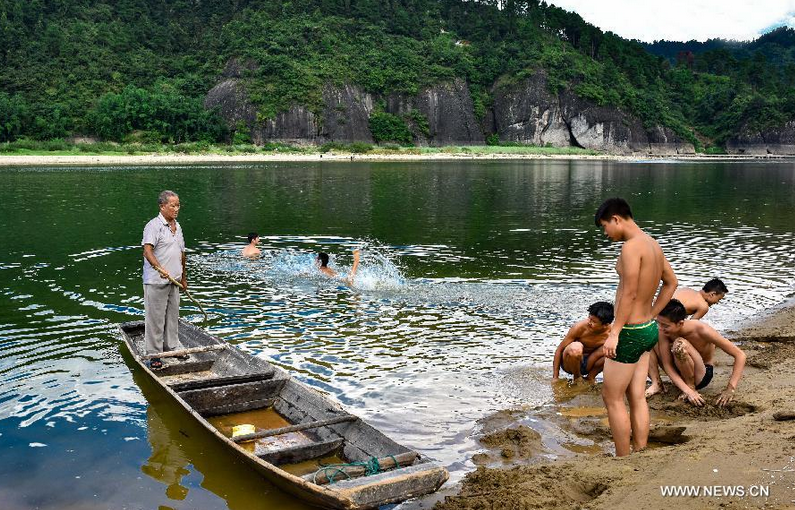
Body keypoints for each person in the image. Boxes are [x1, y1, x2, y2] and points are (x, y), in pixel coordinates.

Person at [595, 197, 677, 457]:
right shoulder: (653, 244)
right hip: (647, 329)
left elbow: (629, 293)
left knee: (612, 397)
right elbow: (671, 283)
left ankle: (622, 457)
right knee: (637, 395)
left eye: (605, 226)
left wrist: (615, 332)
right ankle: (640, 450)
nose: (606, 233)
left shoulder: (631, 248)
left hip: (630, 332)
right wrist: (651, 314)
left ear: (616, 219)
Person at [655, 299, 746, 407]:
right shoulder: (663, 332)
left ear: (680, 323)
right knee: (645, 340)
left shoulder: (702, 330)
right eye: (658, 323)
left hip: (701, 374)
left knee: (679, 344)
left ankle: (691, 386)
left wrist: (730, 389)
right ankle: (657, 384)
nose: (660, 328)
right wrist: (687, 391)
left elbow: (740, 355)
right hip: (680, 372)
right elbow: (667, 365)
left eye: (665, 325)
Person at [646, 278, 728, 396]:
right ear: (712, 294)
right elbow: (688, 325)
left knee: (652, 343)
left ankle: (656, 382)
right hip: (666, 319)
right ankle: (677, 384)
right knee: (677, 344)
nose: (717, 303)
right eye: (718, 299)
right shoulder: (703, 306)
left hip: (658, 315)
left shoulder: (687, 290)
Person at [142, 190, 187, 370]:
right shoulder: (153, 226)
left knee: (173, 316)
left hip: (174, 280)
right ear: (162, 207)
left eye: (178, 205)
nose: (176, 209)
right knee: (156, 318)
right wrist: (159, 268)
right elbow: (147, 251)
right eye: (173, 205)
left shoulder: (178, 226)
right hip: (156, 280)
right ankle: (154, 354)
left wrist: (183, 278)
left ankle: (172, 347)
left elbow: (182, 254)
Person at [552, 302, 614, 382]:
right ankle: (577, 377)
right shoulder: (580, 327)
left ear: (605, 325)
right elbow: (559, 350)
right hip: (570, 363)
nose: (589, 322)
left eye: (594, 322)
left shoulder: (612, 332)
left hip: (590, 362)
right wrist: (555, 377)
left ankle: (590, 377)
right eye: (589, 318)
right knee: (576, 347)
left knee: (614, 349)